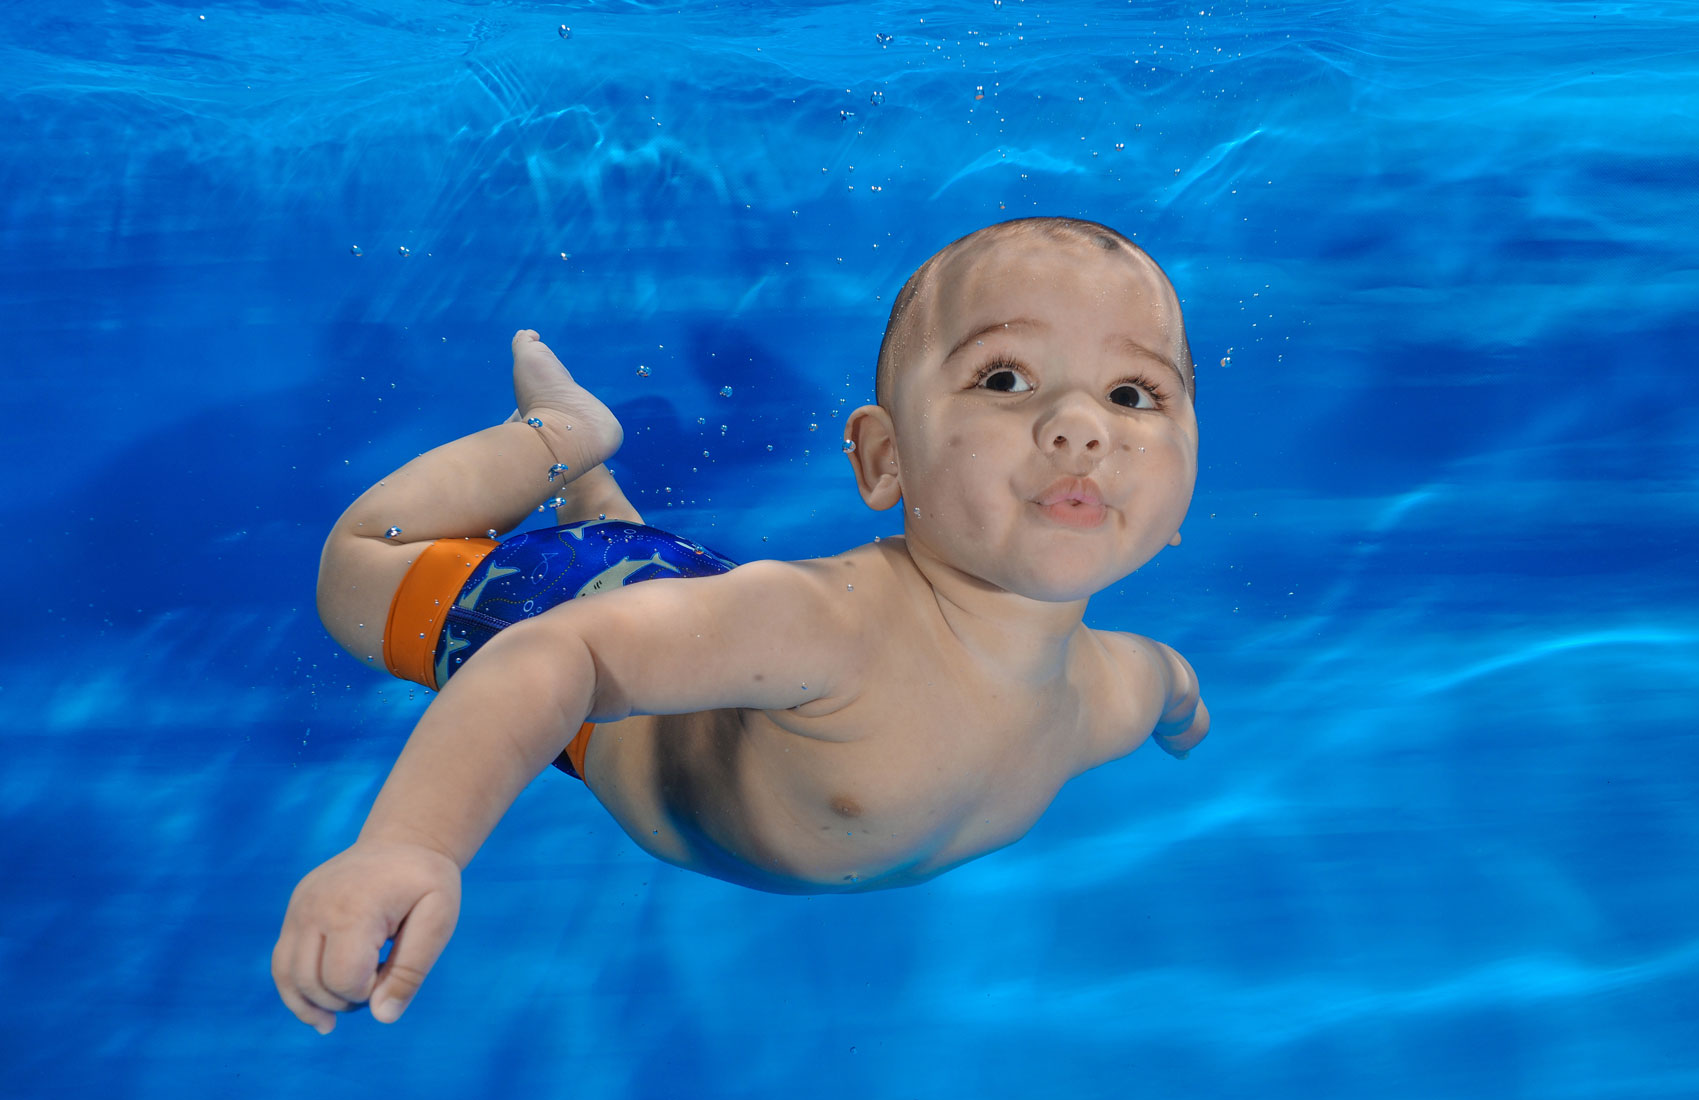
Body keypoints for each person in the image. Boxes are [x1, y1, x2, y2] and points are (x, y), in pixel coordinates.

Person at [272, 217, 1211, 1034]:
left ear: (1181, 500)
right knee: (355, 570)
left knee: (674, 605)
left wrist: (1184, 714)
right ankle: (561, 439)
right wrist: (412, 843)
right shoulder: (831, 627)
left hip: (700, 623)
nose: (1081, 425)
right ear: (885, 461)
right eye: (1005, 378)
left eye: (1134, 394)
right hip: (578, 627)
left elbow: (1166, 679)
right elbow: (563, 651)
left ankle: (595, 496)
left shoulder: (1111, 690)